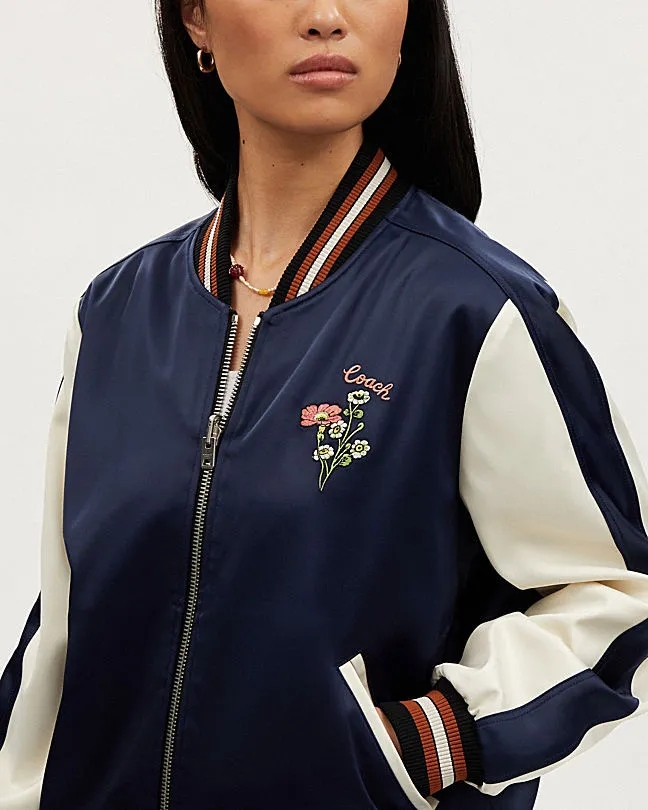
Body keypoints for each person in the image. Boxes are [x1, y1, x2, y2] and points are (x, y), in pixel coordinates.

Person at [1, 0, 647, 808]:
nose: (327, 16)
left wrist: (424, 743)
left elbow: (616, 595)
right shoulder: (117, 314)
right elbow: (64, 624)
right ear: (196, 19)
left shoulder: (473, 310)